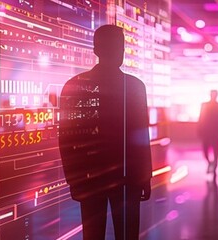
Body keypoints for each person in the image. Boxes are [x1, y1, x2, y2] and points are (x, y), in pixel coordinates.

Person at [58, 25, 152, 240]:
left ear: (95, 50)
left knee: (93, 235)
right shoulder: (135, 87)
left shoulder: (74, 86)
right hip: (128, 177)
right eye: (118, 46)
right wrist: (145, 176)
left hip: (90, 177)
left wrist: (73, 179)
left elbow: (67, 137)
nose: (120, 51)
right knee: (128, 235)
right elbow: (141, 136)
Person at [198, 90, 218, 175]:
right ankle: (214, 164)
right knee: (215, 149)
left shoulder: (206, 105)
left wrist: (199, 129)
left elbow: (201, 118)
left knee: (208, 149)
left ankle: (212, 164)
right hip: (213, 131)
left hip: (209, 131)